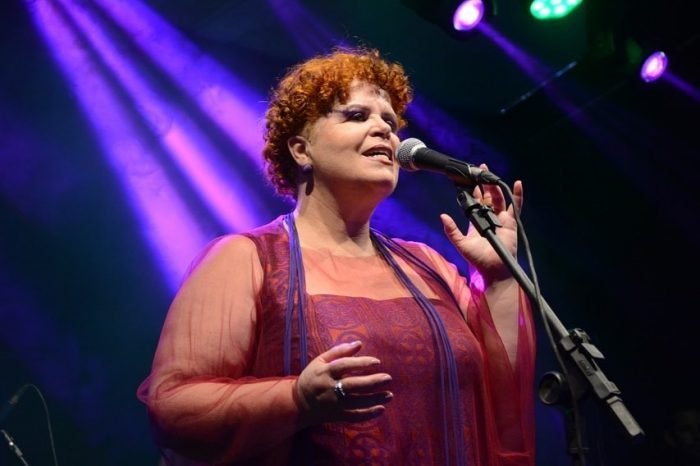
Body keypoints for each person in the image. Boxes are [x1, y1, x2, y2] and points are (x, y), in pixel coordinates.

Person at [137, 46, 536, 466]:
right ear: (301, 150)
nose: (385, 130)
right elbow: (175, 408)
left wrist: (498, 276)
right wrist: (297, 398)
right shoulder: (247, 259)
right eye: (357, 116)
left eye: (390, 122)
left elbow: (499, 388)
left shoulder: (426, 265)